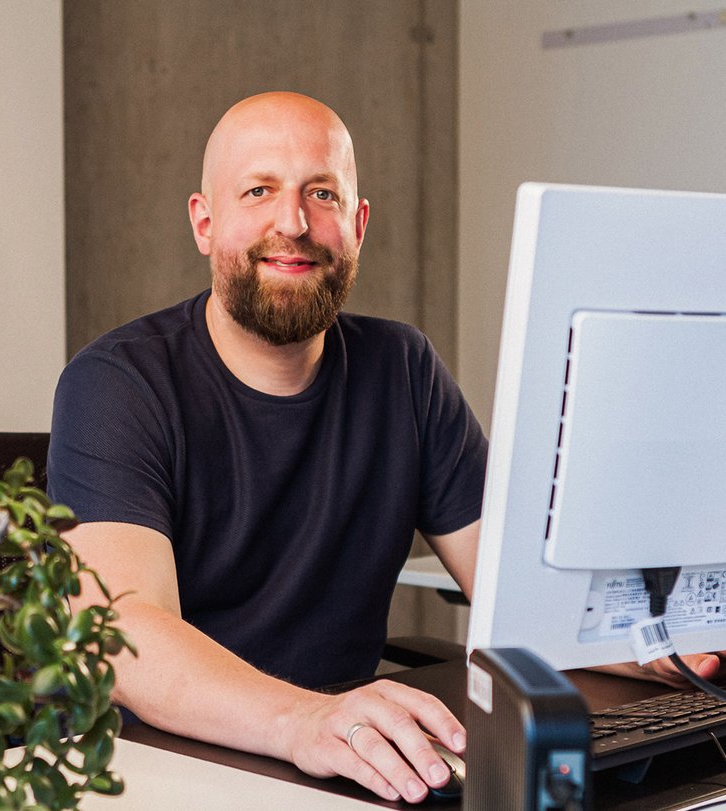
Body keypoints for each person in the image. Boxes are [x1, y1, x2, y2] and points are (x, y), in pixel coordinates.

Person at [48, 91, 723, 804]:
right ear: (205, 222)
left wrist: (662, 650)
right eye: (259, 190)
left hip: (353, 763)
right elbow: (124, 632)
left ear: (358, 223)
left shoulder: (401, 367)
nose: (294, 223)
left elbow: (516, 592)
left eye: (322, 193)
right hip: (158, 767)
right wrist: (305, 718)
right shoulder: (117, 383)